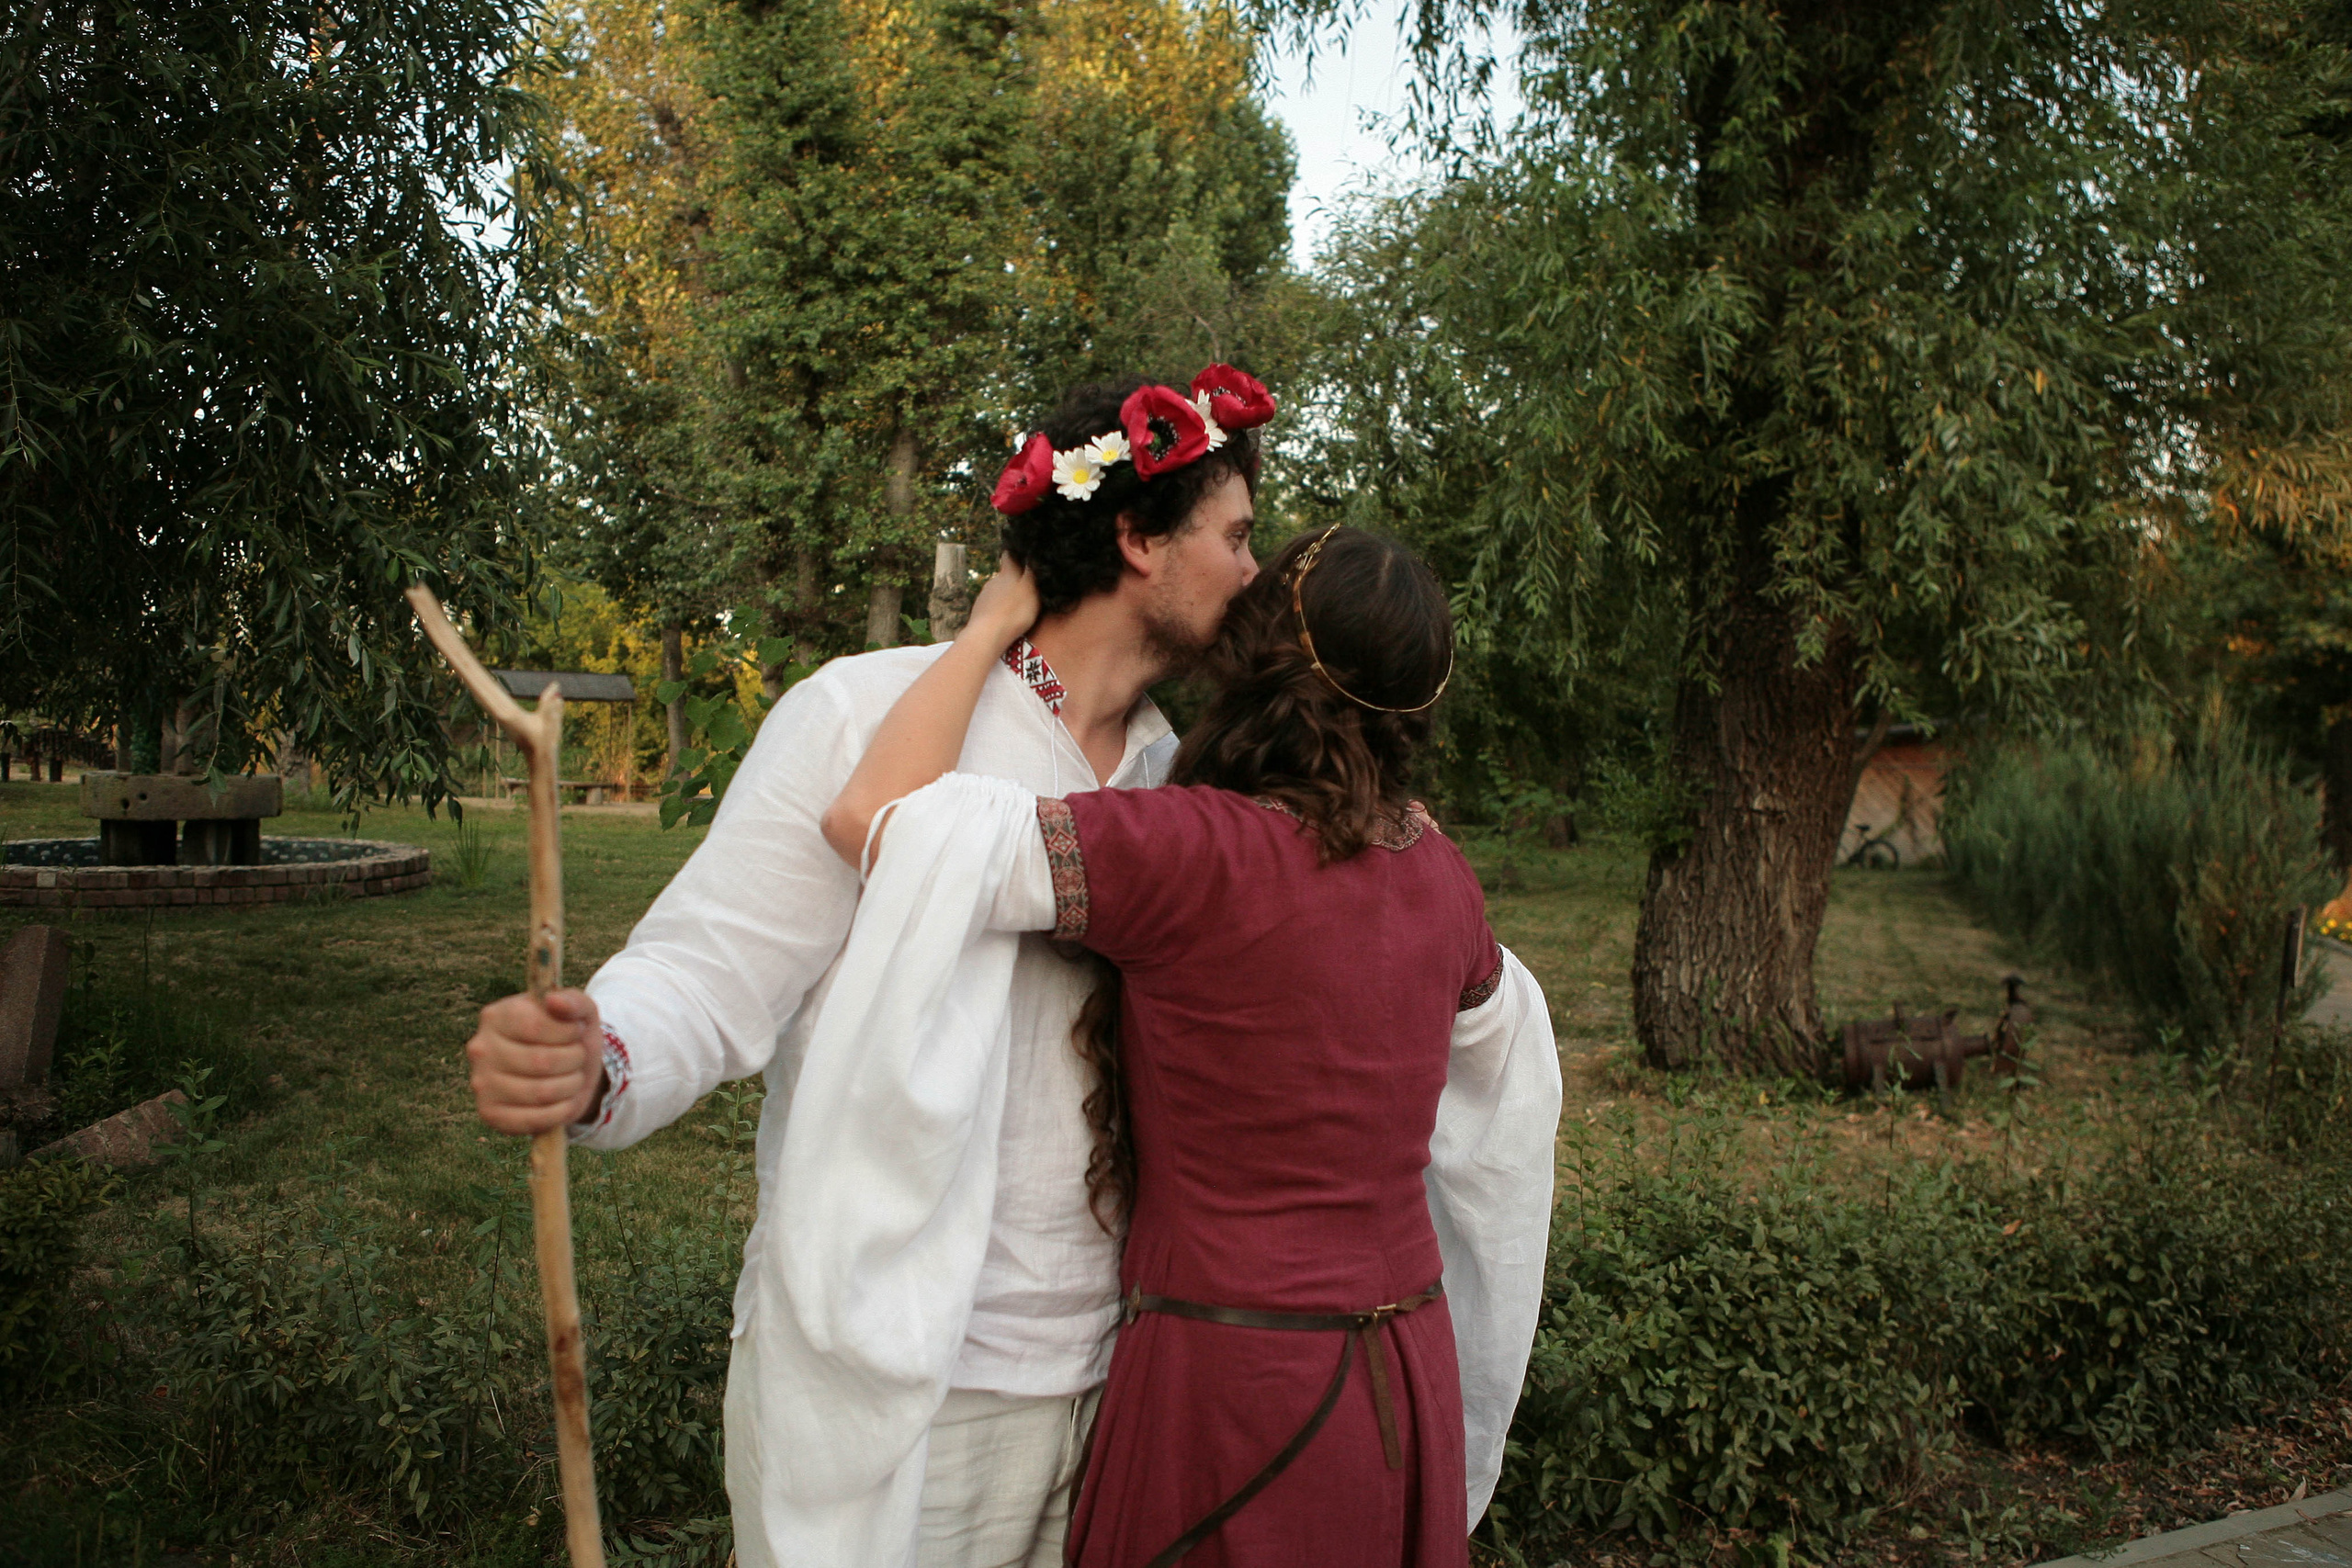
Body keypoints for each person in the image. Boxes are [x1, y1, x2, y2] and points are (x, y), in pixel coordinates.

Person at [464, 368, 1274, 1567]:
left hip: (1120, 1376)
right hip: (894, 1381)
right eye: (1236, 536)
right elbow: (710, 967)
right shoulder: (864, 714)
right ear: (1138, 539)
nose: (1255, 571)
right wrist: (600, 1058)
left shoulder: (1185, 780)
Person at [815, 494, 1563, 1566]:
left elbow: (877, 824)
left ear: (1260, 656)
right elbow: (1498, 1057)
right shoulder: (1442, 879)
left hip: (1229, 1385)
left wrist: (985, 632)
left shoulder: (1184, 853)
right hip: (1404, 1375)